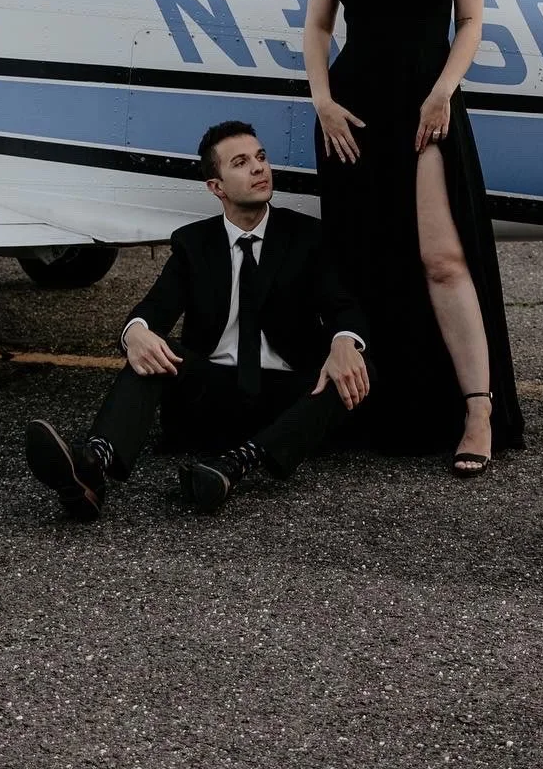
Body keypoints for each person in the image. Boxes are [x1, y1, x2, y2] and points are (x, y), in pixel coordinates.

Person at [304, 0, 524, 474]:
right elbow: (317, 28)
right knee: (366, 258)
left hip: (428, 111)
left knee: (443, 260)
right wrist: (323, 101)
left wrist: (443, 90)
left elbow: (472, 22)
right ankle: (377, 408)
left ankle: (478, 409)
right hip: (353, 114)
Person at [24, 121, 371, 518]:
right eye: (240, 163)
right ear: (216, 186)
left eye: (261, 157)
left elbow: (344, 307)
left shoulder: (306, 235)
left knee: (362, 365)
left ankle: (235, 465)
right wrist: (134, 334)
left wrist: (344, 341)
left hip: (286, 400)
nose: (259, 168)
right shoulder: (194, 243)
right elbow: (152, 310)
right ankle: (93, 462)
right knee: (151, 349)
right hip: (211, 393)